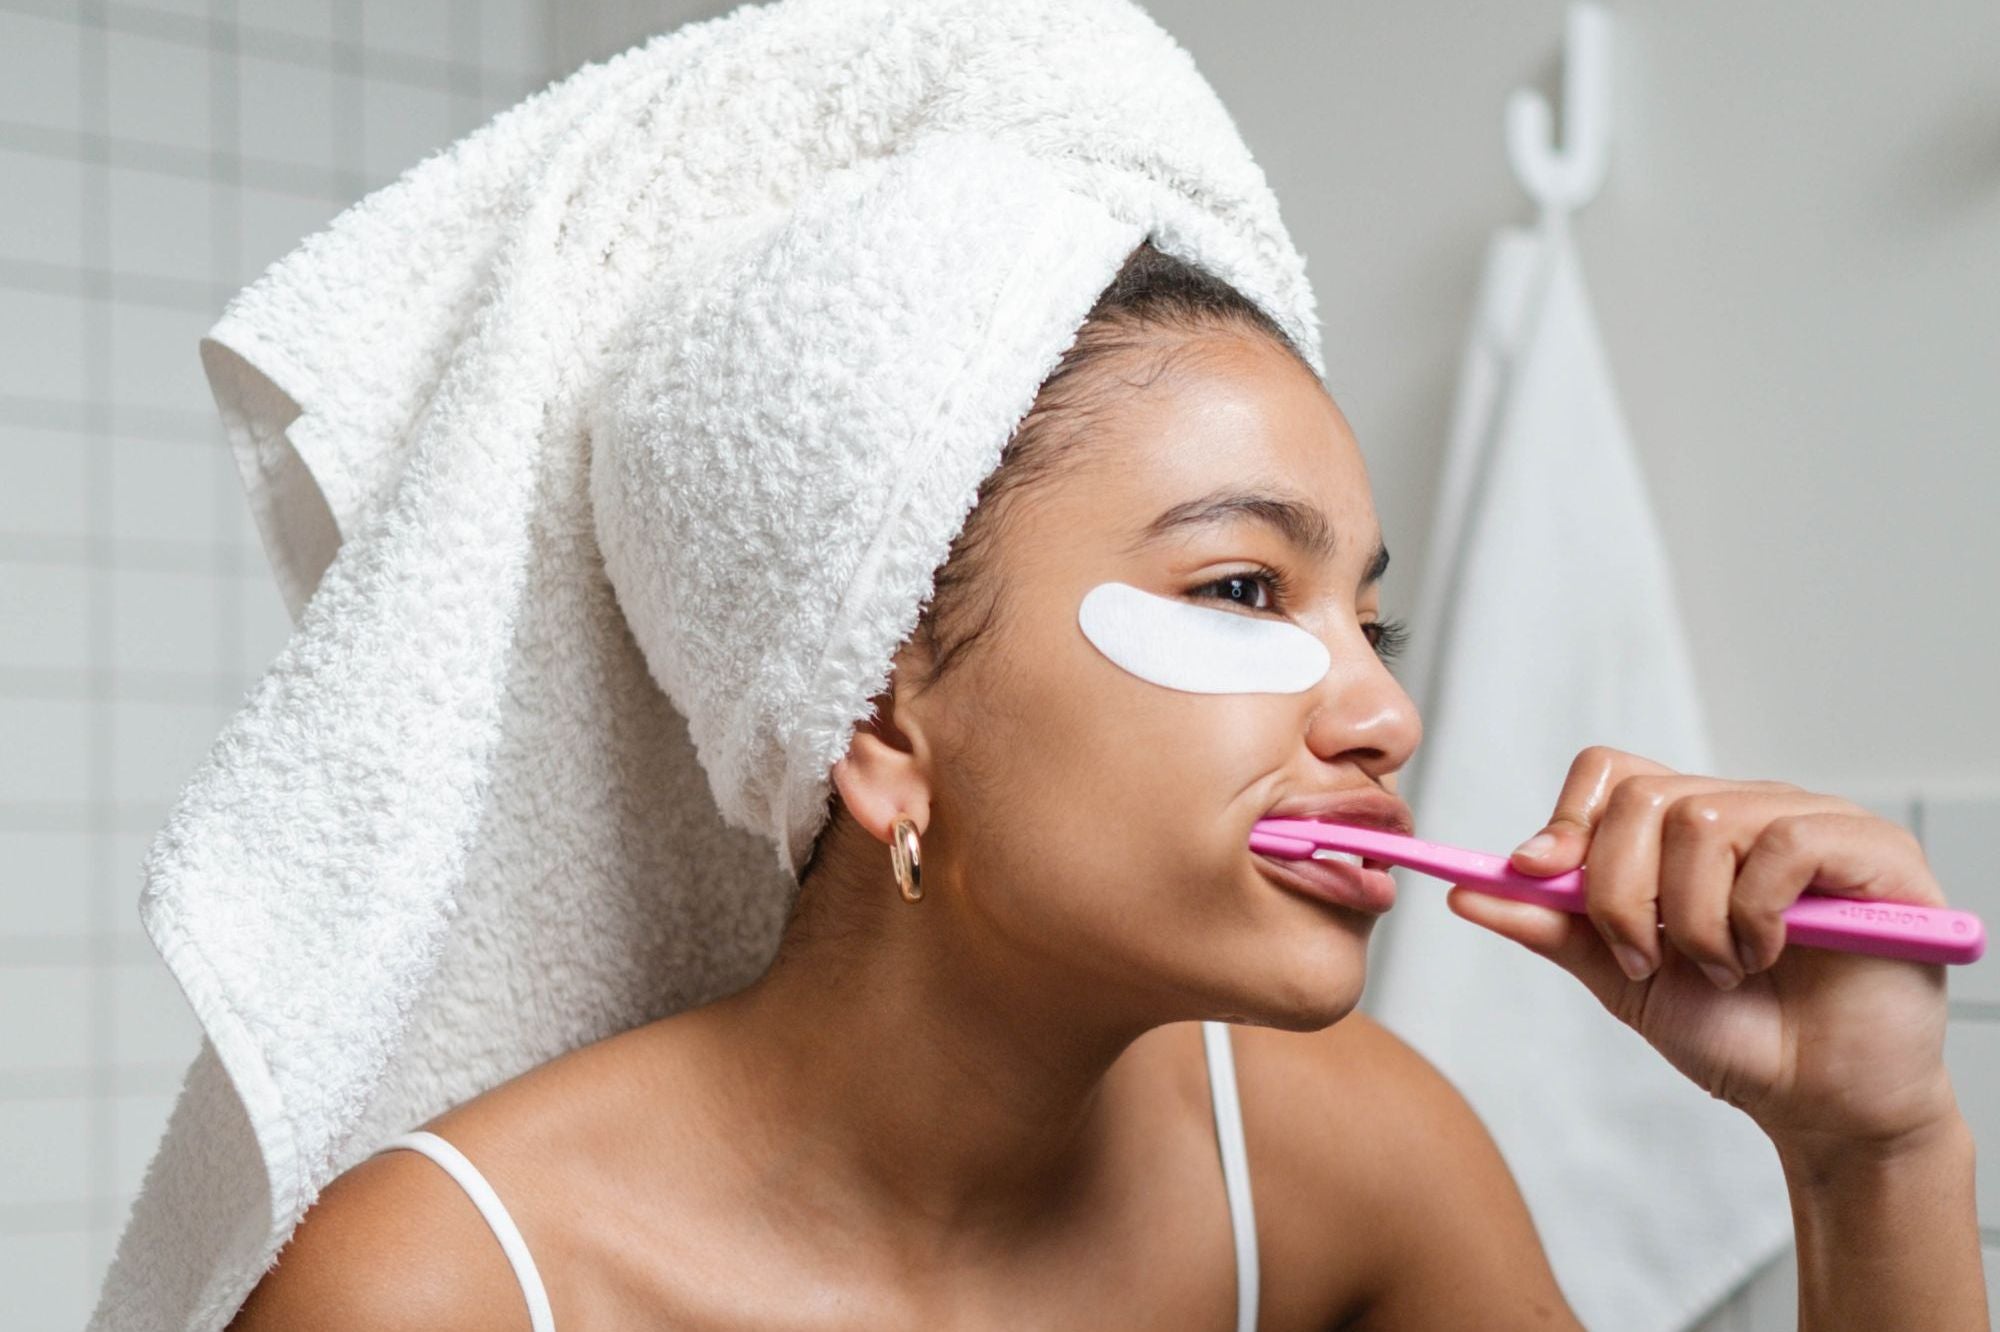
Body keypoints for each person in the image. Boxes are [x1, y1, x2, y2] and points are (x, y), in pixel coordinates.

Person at [221, 240, 1986, 1330]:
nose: (1383, 713)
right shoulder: (443, 1295)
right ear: (885, 717)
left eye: (1372, 619)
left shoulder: (1346, 1163)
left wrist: (1868, 1153)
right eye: (1243, 592)